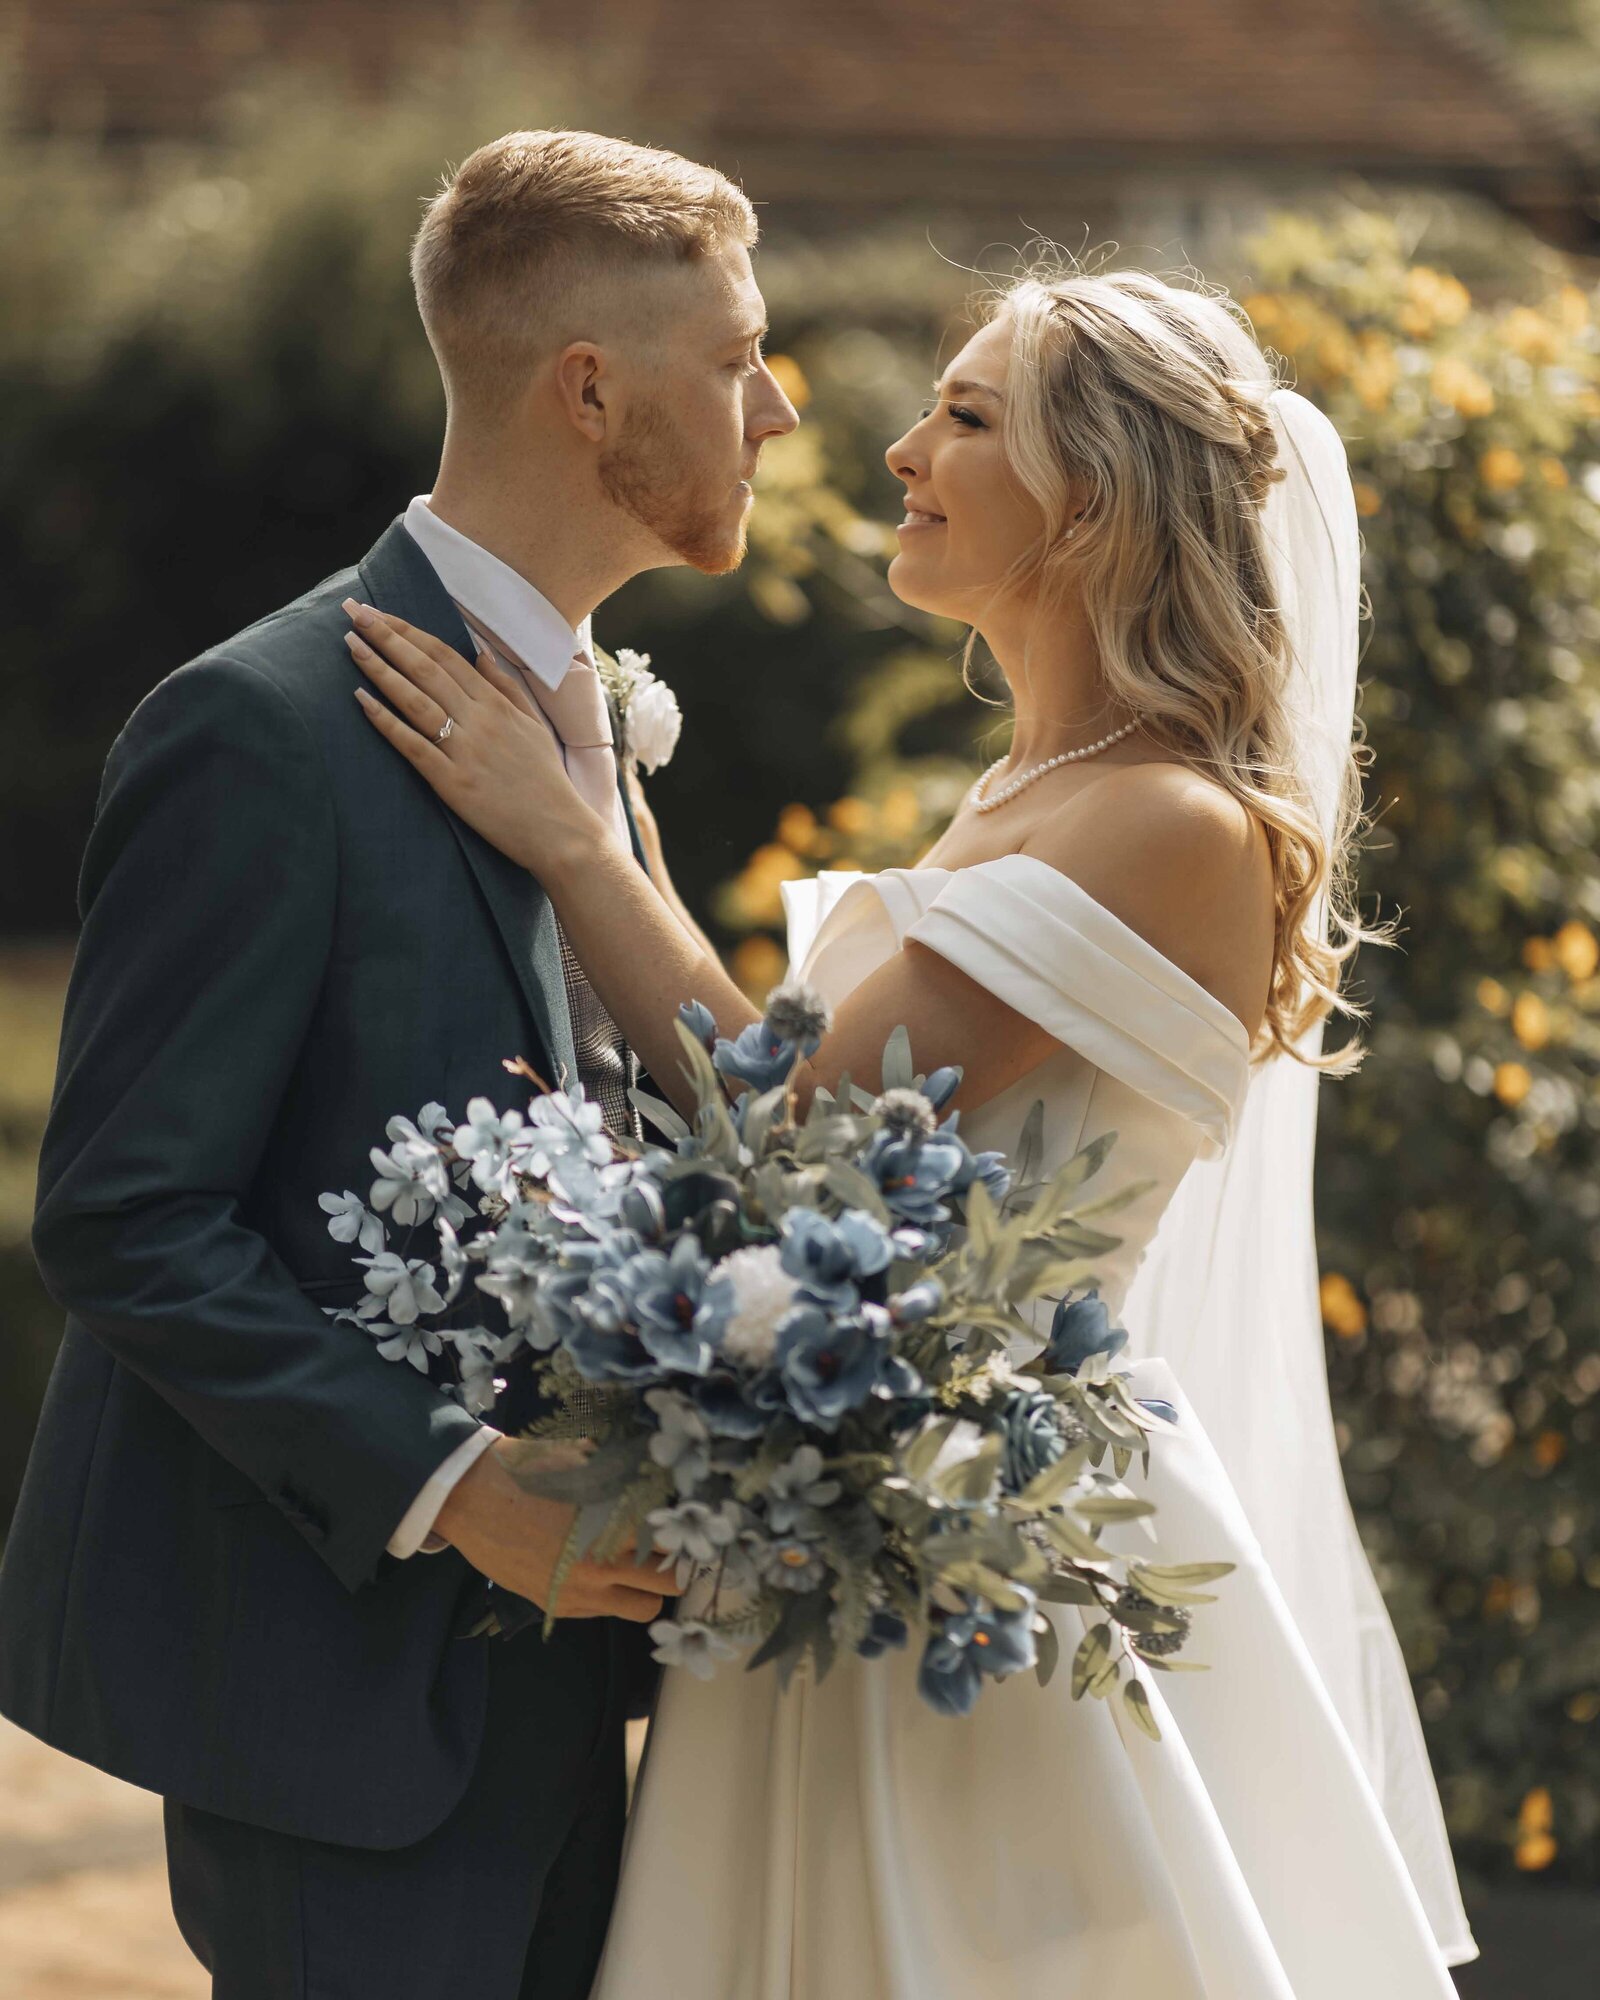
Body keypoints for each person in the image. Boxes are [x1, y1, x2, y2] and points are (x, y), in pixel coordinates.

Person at [348, 264, 1478, 1995]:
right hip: (859, 1518)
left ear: (1094, 497)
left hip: (976, 1569)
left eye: (963, 415)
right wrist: (597, 780)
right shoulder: (1033, 790)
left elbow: (794, 1127)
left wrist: (573, 841)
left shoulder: (1171, 820)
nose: (895, 449)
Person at [0, 129, 795, 2000]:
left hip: (588, 1687)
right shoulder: (256, 730)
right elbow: (127, 1221)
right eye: (741, 356)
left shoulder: (601, 724)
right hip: (341, 1695)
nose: (775, 409)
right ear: (589, 390)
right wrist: (461, 1485)